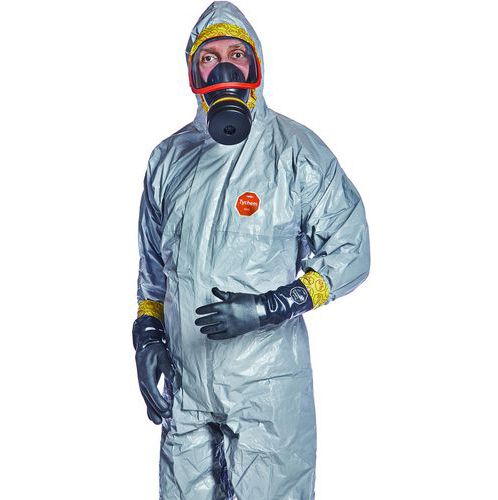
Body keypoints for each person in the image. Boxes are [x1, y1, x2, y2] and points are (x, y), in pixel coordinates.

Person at [132, 2, 370, 499]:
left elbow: (351, 249)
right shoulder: (167, 159)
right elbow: (153, 269)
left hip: (267, 390)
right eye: (209, 57)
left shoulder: (295, 152)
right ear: (194, 71)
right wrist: (147, 335)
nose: (224, 68)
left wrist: (271, 307)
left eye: (236, 54)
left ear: (256, 63)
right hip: (187, 391)